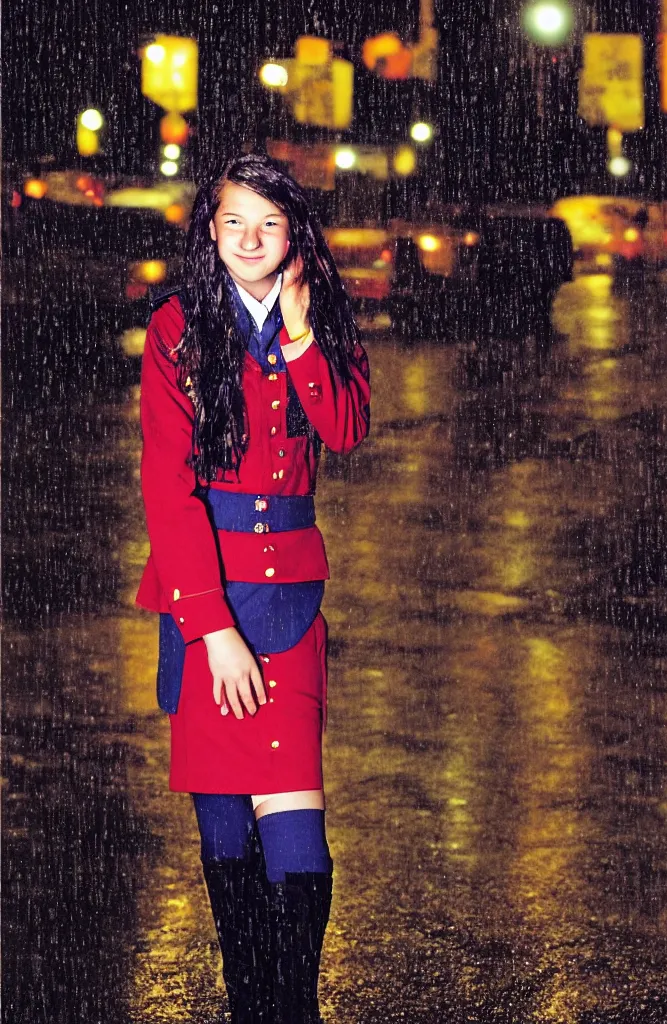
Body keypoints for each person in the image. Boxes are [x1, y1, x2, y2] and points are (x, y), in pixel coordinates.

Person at [136, 153, 371, 1023]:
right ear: (210, 228)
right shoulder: (177, 328)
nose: (249, 239)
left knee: (298, 830)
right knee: (227, 829)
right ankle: (251, 1007)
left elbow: (345, 431)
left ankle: (293, 1008)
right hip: (208, 598)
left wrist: (307, 336)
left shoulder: (325, 318)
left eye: (268, 224)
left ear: (293, 236)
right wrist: (211, 626)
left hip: (291, 601)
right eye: (233, 221)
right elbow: (170, 487)